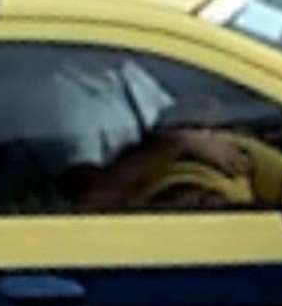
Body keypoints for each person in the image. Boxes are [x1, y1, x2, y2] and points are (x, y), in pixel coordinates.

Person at [35, 56, 251, 208]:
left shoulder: (123, 69)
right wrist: (180, 141)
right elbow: (91, 197)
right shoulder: (62, 100)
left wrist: (197, 111)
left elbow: (165, 117)